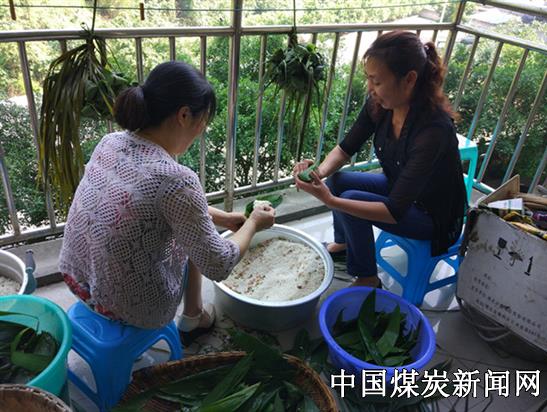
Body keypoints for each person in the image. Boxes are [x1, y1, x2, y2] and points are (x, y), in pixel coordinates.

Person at [59, 61, 275, 342]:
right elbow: (218, 264)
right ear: (184, 115)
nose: (201, 130)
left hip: (77, 278)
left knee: (193, 233)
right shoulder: (175, 179)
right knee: (197, 242)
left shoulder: (110, 142)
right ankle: (193, 317)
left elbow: (157, 205)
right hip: (120, 304)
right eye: (202, 122)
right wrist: (254, 223)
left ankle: (194, 314)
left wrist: (223, 218)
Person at [294, 30, 467, 289]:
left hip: (432, 215)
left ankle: (368, 278)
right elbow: (345, 149)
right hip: (400, 189)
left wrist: (330, 201)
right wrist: (316, 173)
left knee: (349, 199)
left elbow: (394, 211)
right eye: (369, 79)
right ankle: (343, 244)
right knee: (338, 181)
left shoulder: (433, 131)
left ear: (409, 80)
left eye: (376, 81)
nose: (370, 88)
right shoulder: (381, 105)